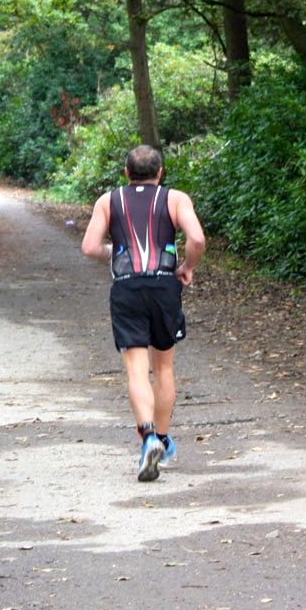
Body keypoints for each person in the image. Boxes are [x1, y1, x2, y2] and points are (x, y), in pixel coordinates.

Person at [81, 145, 206, 483]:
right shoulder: (175, 199)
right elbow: (196, 237)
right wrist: (188, 268)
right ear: (160, 172)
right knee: (164, 367)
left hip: (127, 287)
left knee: (137, 369)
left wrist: (114, 251)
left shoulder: (109, 201)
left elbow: (89, 246)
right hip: (165, 286)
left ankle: (147, 435)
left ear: (126, 172)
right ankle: (163, 441)